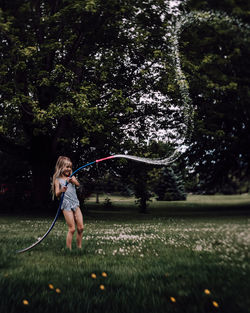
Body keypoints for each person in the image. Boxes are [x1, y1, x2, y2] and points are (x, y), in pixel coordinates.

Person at [52, 156, 84, 250]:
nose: (68, 169)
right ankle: (68, 249)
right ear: (60, 167)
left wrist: (74, 181)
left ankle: (79, 248)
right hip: (66, 205)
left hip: (75, 203)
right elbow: (57, 194)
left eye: (70, 167)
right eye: (66, 167)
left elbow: (78, 185)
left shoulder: (71, 177)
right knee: (72, 229)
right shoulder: (57, 179)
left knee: (81, 228)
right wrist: (62, 190)